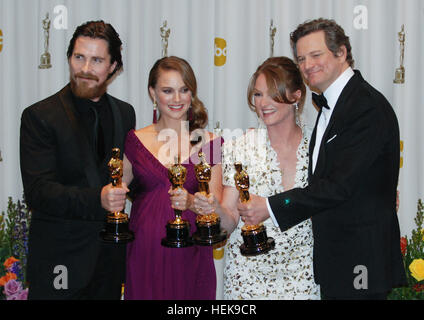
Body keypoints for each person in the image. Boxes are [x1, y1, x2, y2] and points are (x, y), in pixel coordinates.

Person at [237, 18, 407, 299]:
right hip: (338, 261)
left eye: (316, 55)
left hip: (360, 262)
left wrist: (270, 206)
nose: (307, 65)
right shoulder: (335, 106)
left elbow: (338, 186)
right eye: (301, 58)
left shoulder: (365, 107)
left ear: (341, 52)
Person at [20, 20, 135, 299]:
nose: (85, 68)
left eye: (96, 60)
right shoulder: (40, 116)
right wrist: (99, 198)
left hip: (108, 264)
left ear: (113, 67)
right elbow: (38, 193)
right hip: (59, 262)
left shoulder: (125, 113)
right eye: (79, 57)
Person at [194, 56, 320, 299]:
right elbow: (229, 222)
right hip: (248, 280)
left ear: (296, 95)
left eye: (273, 93)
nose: (263, 103)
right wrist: (215, 208)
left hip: (304, 275)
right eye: (258, 94)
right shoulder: (239, 148)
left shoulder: (318, 148)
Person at [122, 56, 221, 299]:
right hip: (144, 252)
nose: (177, 99)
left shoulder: (208, 143)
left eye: (184, 90)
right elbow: (115, 192)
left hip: (191, 255)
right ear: (153, 93)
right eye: (168, 91)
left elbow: (216, 210)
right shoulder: (135, 141)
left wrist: (191, 203)